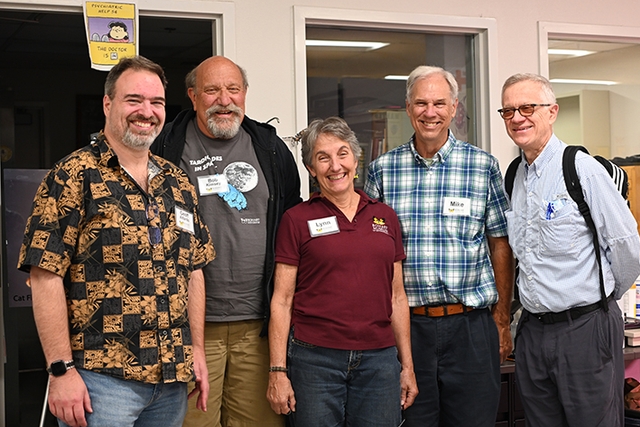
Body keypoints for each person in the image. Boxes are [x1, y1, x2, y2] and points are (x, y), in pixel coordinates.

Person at [17, 55, 216, 427]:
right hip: (100, 384)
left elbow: (194, 271)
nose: (147, 111)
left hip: (171, 381)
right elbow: (45, 276)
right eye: (134, 100)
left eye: (156, 102)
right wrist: (60, 370)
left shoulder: (177, 182)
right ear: (108, 104)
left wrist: (197, 352)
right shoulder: (73, 176)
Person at [150, 55, 302, 427]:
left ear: (245, 94)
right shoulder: (164, 146)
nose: (224, 99)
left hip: (259, 327)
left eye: (233, 89)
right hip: (189, 328)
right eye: (212, 90)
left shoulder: (270, 148)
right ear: (193, 95)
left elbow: (292, 225)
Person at [364, 65, 514, 427]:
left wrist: (502, 319)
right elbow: (369, 254)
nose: (430, 112)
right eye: (421, 103)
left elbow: (500, 245)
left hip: (471, 327)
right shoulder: (382, 170)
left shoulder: (482, 166)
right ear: (407, 107)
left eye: (439, 103)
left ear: (454, 108)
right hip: (407, 329)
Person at [499, 73, 640, 427]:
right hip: (532, 334)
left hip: (585, 329)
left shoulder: (581, 169)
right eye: (508, 111)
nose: (518, 117)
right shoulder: (514, 175)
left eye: (528, 107)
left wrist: (599, 304)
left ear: (552, 112)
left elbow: (627, 250)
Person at [265, 116, 418, 426]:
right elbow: (282, 300)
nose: (335, 166)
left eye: (342, 153)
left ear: (356, 157)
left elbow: (397, 297)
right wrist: (278, 370)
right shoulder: (296, 220)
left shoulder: (384, 216)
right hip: (314, 360)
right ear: (311, 169)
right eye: (323, 158)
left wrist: (407, 366)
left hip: (379, 361)